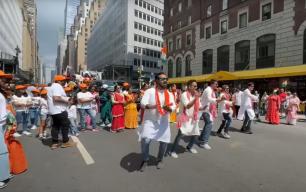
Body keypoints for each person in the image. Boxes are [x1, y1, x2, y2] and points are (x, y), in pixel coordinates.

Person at [138, 72, 175, 171]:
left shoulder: (169, 94)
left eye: (166, 79)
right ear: (156, 81)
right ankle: (145, 159)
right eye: (162, 79)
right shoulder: (150, 91)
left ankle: (160, 159)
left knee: (164, 142)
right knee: (145, 140)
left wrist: (169, 108)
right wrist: (154, 106)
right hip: (150, 121)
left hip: (163, 121)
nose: (165, 81)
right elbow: (142, 103)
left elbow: (173, 107)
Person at [170, 80, 201, 158]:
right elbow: (187, 106)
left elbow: (198, 106)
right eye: (194, 86)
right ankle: (172, 151)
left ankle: (189, 147)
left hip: (193, 118)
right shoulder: (184, 94)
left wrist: (204, 107)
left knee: (195, 133)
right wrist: (196, 98)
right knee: (180, 134)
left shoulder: (196, 95)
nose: (196, 87)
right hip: (184, 117)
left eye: (196, 86)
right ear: (189, 86)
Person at [47, 75, 75, 149]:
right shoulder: (57, 86)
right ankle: (65, 142)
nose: (65, 82)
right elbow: (56, 98)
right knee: (65, 124)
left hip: (54, 110)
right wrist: (67, 100)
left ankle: (54, 143)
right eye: (63, 80)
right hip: (59, 110)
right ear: (58, 81)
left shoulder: (53, 87)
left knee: (56, 126)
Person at [0, 71, 13, 189]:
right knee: (2, 152)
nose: (6, 83)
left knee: (3, 151)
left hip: (2, 125)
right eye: (3, 80)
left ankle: (4, 175)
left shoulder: (2, 94)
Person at [198, 80, 219, 150]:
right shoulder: (208, 90)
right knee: (209, 124)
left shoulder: (211, 90)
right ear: (212, 84)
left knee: (208, 124)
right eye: (216, 84)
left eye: (217, 84)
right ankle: (203, 142)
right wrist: (218, 99)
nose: (217, 85)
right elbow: (210, 99)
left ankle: (201, 138)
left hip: (208, 110)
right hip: (205, 110)